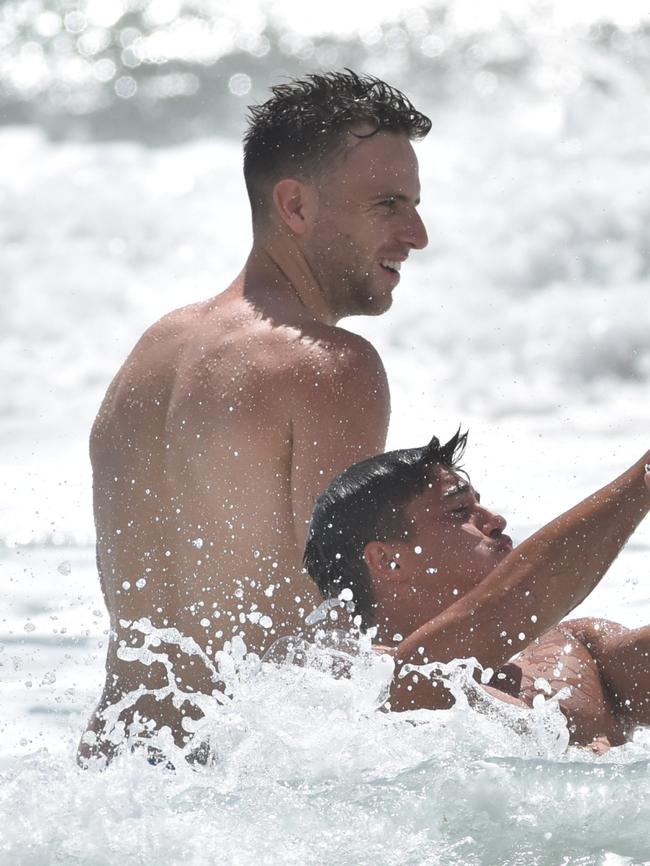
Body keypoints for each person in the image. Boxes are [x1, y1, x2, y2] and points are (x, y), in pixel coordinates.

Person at [79, 71, 430, 761]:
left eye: (415, 204)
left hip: (113, 770)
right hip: (242, 785)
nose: (416, 234)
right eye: (388, 204)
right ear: (294, 206)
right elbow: (353, 624)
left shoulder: (156, 351)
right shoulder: (329, 366)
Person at [304, 432, 650, 748]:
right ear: (388, 560)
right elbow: (518, 599)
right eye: (459, 511)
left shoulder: (575, 646)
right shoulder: (368, 686)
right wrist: (641, 484)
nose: (495, 520)